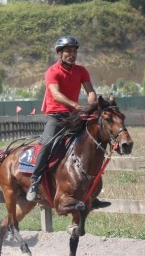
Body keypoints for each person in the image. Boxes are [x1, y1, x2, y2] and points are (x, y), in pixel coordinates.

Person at [26, 36, 107, 207]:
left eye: (75, 51)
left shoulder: (81, 71)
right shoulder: (52, 72)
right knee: (47, 143)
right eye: (68, 51)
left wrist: (91, 103)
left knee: (90, 143)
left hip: (74, 115)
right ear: (59, 53)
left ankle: (93, 192)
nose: (72, 54)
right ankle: (35, 181)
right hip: (56, 115)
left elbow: (90, 90)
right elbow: (55, 94)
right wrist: (77, 106)